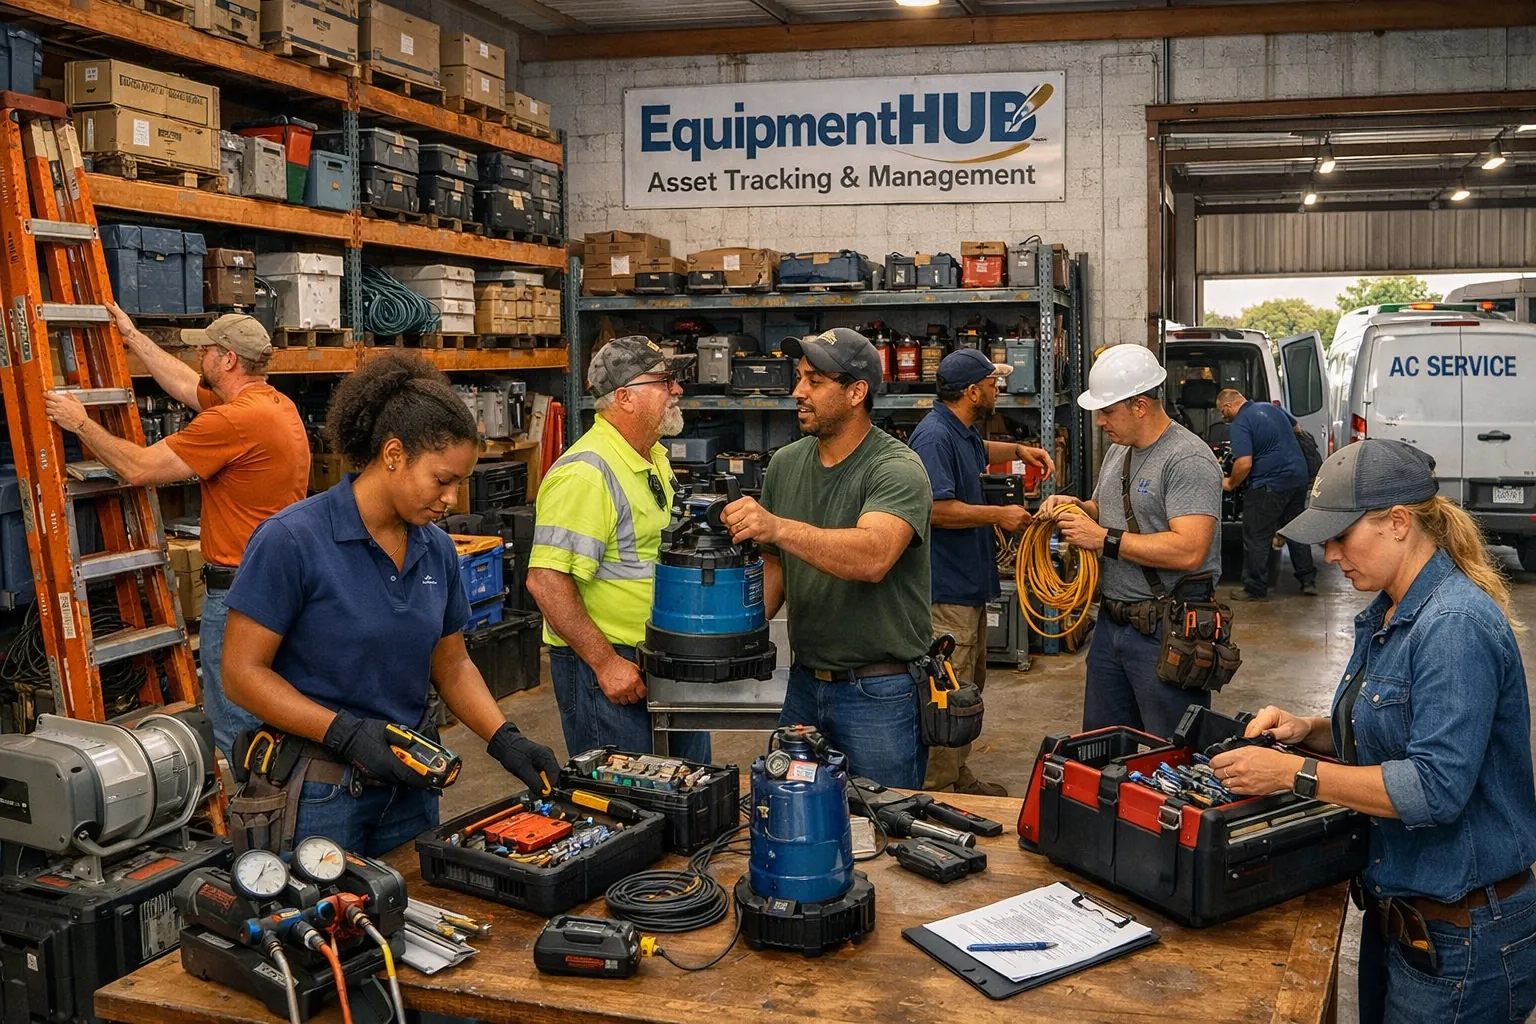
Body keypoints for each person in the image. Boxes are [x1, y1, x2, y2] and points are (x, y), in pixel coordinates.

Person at [1210, 439, 1536, 1024]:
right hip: (1405, 922)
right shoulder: (1391, 610)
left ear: (1399, 523)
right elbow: (1391, 730)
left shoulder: (1453, 626)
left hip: (1464, 942)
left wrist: (1293, 773)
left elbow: (1433, 788)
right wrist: (1308, 730)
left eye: (1341, 536)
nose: (1331, 554)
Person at [220, 352, 559, 856]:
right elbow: (241, 674)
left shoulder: (436, 548)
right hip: (319, 793)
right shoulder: (292, 540)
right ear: (394, 454)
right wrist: (345, 733)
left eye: (461, 482)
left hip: (411, 786)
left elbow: (452, 664)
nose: (452, 498)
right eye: (442, 480)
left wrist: (504, 738)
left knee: (413, 903)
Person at [44, 306, 309, 759]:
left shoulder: (231, 421)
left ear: (228, 359)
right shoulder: (271, 406)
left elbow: (139, 468)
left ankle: (251, 802)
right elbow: (186, 385)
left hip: (241, 593)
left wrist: (80, 423)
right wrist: (133, 337)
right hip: (273, 585)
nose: (198, 356)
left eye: (206, 349)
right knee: (263, 713)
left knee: (237, 728)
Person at [722, 328, 933, 788]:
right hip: (804, 684)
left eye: (815, 381)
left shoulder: (896, 468)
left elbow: (873, 556)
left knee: (882, 818)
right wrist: (736, 637)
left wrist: (778, 527)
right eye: (800, 378)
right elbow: (775, 564)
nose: (798, 392)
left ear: (856, 392)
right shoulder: (785, 464)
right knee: (791, 810)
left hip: (879, 692)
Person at [526, 337, 710, 763]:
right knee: (627, 796)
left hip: (664, 658)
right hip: (610, 669)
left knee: (690, 786)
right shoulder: (586, 474)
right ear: (625, 397)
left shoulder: (651, 457)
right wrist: (606, 663)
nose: (677, 389)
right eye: (665, 381)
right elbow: (546, 580)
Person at [1039, 344, 1222, 738]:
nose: (1100, 421)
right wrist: (1079, 508)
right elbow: (1106, 511)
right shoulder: (1118, 452)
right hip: (1112, 625)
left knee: (1170, 751)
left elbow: (1190, 549)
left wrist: (1103, 539)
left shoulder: (1187, 459)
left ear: (1139, 406)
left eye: (1107, 411)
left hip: (1166, 628)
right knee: (1101, 746)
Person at [908, 348, 1055, 796]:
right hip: (945, 592)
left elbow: (980, 450)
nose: (998, 390)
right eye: (993, 384)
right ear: (973, 392)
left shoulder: (961, 429)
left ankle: (957, 773)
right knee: (946, 696)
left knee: (968, 688)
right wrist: (998, 515)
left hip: (967, 587)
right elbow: (935, 510)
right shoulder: (934, 437)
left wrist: (1019, 450)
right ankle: (936, 790)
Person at [1215, 388, 1316, 600]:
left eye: (1222, 412)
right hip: (1298, 478)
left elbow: (1244, 463)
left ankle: (1255, 589)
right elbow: (1297, 428)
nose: (1223, 417)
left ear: (1229, 406)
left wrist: (1231, 483)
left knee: (1256, 535)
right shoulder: (1273, 408)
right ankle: (1308, 580)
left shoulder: (1241, 423)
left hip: (1269, 484)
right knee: (1295, 529)